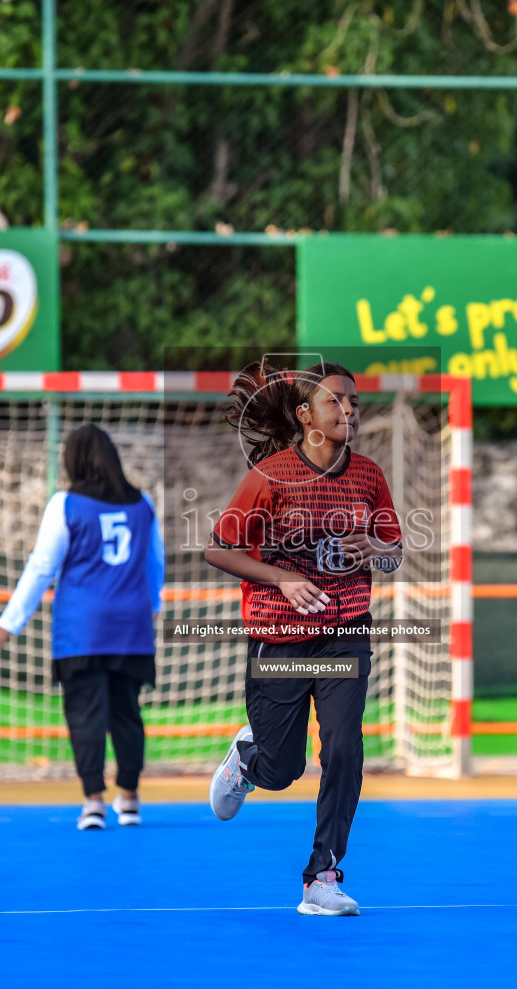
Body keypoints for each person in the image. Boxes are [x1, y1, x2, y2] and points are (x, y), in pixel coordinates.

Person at [205, 359, 404, 917]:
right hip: (281, 639)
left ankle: (322, 878)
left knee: (344, 748)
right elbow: (218, 549)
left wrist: (379, 551)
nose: (349, 411)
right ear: (305, 414)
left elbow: (394, 550)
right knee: (284, 769)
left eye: (355, 402)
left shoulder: (367, 475)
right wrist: (283, 578)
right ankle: (248, 758)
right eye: (336, 401)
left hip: (346, 634)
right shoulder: (269, 477)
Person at [0, 425, 164, 831]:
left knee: (86, 715)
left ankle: (93, 802)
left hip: (82, 630)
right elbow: (156, 563)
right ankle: (130, 799)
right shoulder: (143, 503)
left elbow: (42, 566)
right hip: (131, 629)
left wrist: (8, 624)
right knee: (127, 714)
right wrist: (153, 606)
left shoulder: (66, 504)